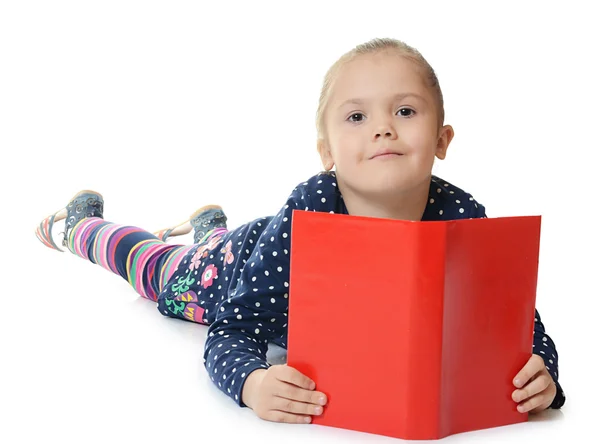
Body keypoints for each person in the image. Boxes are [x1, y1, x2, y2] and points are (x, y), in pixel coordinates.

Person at [36, 37, 565, 425]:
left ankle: (207, 225)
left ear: (442, 139)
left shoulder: (461, 214)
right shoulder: (310, 209)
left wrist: (545, 371)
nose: (383, 126)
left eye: (405, 110)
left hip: (253, 242)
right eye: (356, 117)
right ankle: (83, 224)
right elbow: (232, 329)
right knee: (156, 272)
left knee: (218, 243)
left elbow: (514, 322)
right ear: (327, 152)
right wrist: (251, 383)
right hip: (224, 273)